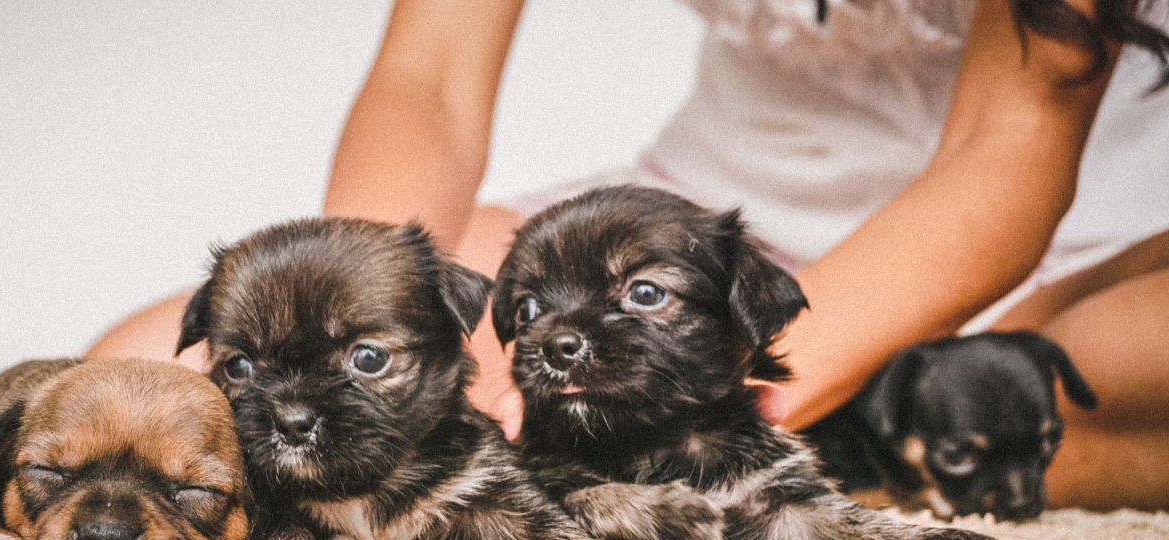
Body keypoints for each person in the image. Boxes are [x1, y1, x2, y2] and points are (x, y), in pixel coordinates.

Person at [86, 0, 1169, 511]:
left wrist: (697, 383)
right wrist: (373, 333)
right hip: (674, 233)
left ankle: (861, 433)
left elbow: (1006, 148)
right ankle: (871, 455)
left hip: (1056, 250)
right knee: (131, 376)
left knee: (1132, 355)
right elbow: (430, 82)